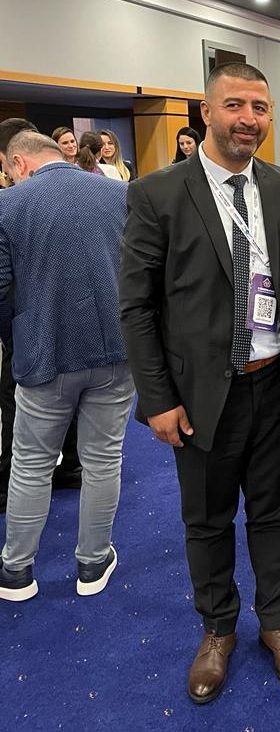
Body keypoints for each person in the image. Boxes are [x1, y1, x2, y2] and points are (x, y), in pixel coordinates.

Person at [120, 62, 280, 703]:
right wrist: (157, 399)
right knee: (206, 519)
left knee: (274, 511)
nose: (248, 120)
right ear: (206, 112)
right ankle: (218, 629)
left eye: (260, 107)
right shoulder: (157, 193)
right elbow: (137, 307)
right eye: (235, 105)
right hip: (200, 395)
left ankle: (277, 621)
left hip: (277, 383)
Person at [0, 131, 134, 602]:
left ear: (19, 163)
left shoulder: (7, 205)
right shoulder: (119, 194)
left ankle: (16, 570)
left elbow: (0, 291)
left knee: (31, 465)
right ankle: (92, 562)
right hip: (116, 351)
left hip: (44, 356)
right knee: (103, 461)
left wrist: (17, 339)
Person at [0, 119, 83, 514]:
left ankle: (10, 481)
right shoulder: (103, 191)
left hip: (29, 326)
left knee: (19, 412)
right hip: (82, 325)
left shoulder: (11, 203)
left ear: (16, 160)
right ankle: (71, 465)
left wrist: (11, 332)